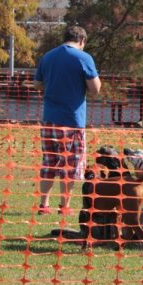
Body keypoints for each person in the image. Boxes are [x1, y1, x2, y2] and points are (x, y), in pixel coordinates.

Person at [35, 25, 101, 215]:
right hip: (72, 120)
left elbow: (37, 84)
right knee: (70, 164)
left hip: (49, 119)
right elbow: (95, 89)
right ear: (82, 41)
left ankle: (43, 204)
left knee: (49, 161)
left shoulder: (48, 57)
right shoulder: (84, 58)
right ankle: (64, 206)